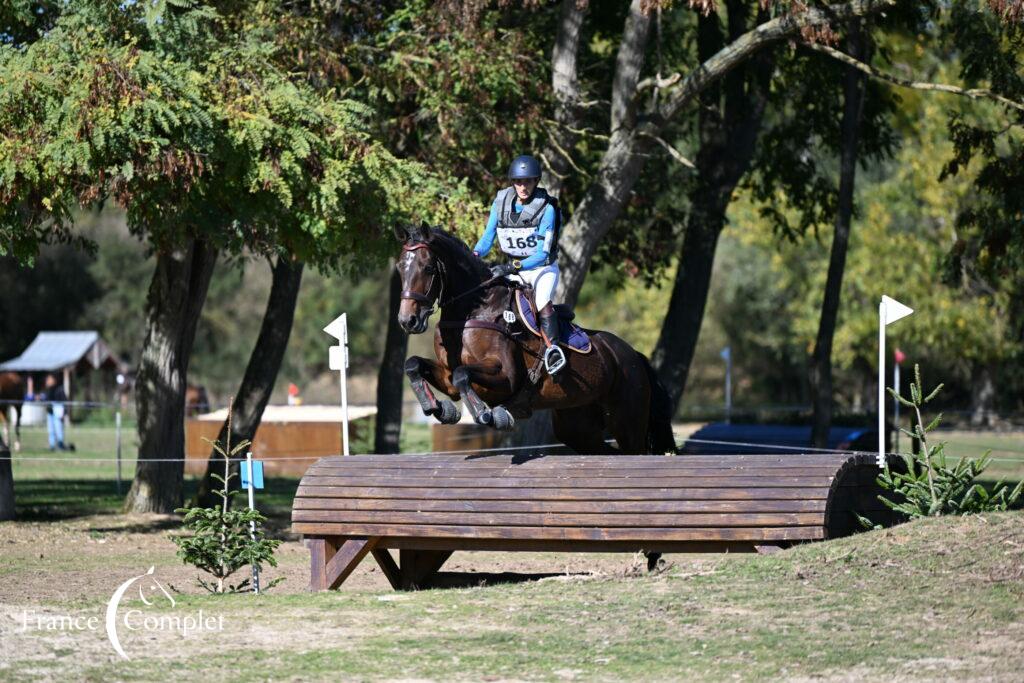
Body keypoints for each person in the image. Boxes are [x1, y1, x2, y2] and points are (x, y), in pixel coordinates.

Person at [473, 154, 566, 375]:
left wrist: (512, 266)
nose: (522, 187)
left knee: (542, 301)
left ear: (536, 181)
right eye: (518, 182)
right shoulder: (500, 204)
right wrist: (474, 254)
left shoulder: (547, 209)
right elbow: (487, 239)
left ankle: (554, 351)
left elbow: (543, 254)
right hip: (514, 270)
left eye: (528, 181)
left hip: (542, 269)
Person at [39, 374, 67, 451]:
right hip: (50, 412)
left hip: (58, 412)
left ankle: (60, 445)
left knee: (59, 429)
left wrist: (64, 413)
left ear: (54, 380)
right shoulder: (47, 390)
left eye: (49, 379)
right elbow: (44, 399)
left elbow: (65, 402)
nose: (48, 381)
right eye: (47, 380)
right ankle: (52, 446)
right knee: (51, 430)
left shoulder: (59, 389)